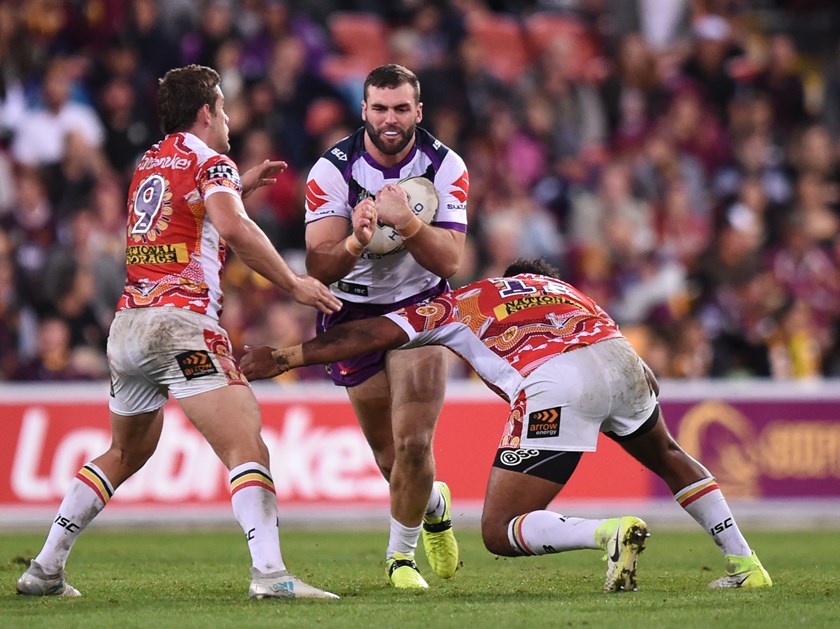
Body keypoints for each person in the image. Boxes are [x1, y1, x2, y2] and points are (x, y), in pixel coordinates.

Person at [241, 258, 773, 592]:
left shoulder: (465, 301)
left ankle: (606, 533)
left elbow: (369, 335)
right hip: (621, 360)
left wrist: (286, 357)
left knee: (500, 529)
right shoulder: (568, 292)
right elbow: (630, 358)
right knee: (669, 455)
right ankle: (746, 564)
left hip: (554, 381)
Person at [16, 65, 343, 601]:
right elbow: (233, 227)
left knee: (124, 453)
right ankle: (270, 575)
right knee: (245, 442)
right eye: (224, 107)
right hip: (181, 327)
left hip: (129, 328)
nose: (229, 119)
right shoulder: (211, 162)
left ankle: (45, 567)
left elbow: (187, 220)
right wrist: (294, 284)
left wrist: (238, 187)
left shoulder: (149, 163)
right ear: (206, 111)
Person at [302, 64, 469, 589]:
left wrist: (407, 221)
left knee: (414, 443)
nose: (390, 119)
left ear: (418, 111)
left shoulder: (445, 165)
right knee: (389, 456)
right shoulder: (332, 170)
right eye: (379, 108)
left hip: (420, 307)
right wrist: (356, 240)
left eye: (400, 109)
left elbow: (450, 261)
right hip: (353, 312)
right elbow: (318, 266)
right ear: (364, 111)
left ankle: (401, 559)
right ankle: (434, 505)